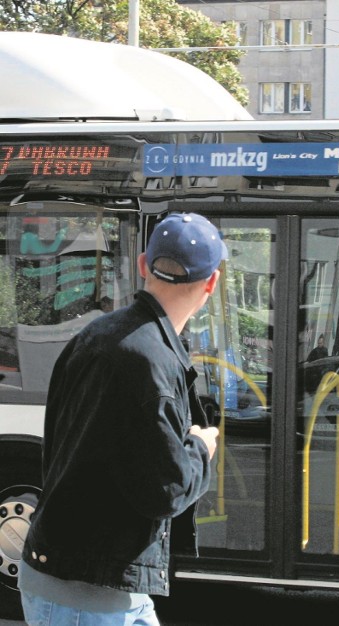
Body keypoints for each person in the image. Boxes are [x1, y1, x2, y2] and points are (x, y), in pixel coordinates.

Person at [18, 213, 226, 625]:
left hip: (87, 584)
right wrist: (201, 449)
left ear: (143, 264)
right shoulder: (149, 361)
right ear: (212, 283)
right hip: (88, 594)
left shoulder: (98, 334)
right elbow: (165, 491)